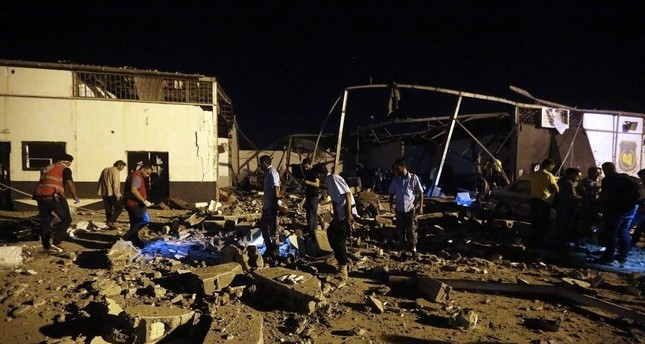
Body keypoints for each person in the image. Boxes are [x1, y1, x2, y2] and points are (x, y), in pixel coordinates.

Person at [32, 153, 80, 253]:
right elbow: (69, 184)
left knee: (45, 221)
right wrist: (75, 196)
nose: (69, 165)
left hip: (40, 196)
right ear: (67, 162)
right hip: (54, 196)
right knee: (66, 219)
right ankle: (56, 243)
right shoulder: (65, 169)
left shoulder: (46, 168)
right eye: (70, 163)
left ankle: (46, 246)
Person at [594, 162, 639, 264]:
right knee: (623, 231)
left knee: (611, 233)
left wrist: (597, 206)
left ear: (605, 169)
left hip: (616, 210)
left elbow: (605, 196)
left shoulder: (608, 179)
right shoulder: (625, 178)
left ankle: (608, 258)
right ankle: (623, 256)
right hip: (630, 209)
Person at [325, 167, 357, 286]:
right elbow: (334, 200)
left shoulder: (333, 178)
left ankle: (343, 269)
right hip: (339, 215)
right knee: (331, 233)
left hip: (345, 213)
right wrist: (335, 217)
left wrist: (348, 214)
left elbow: (348, 194)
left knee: (339, 240)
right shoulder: (329, 181)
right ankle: (341, 260)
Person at [388, 158, 424, 255]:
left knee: (412, 230)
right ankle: (402, 248)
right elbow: (391, 193)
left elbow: (420, 193)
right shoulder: (396, 180)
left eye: (397, 168)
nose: (396, 171)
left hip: (410, 209)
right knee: (400, 230)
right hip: (399, 210)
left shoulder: (413, 178)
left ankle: (413, 248)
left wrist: (420, 207)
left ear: (403, 167)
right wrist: (390, 205)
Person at [529, 158, 559, 247]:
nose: (552, 169)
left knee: (534, 222)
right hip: (544, 201)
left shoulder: (534, 174)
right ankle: (542, 243)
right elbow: (556, 189)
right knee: (543, 223)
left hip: (534, 200)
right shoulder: (549, 175)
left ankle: (532, 242)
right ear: (549, 165)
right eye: (552, 167)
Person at [122, 165, 154, 247]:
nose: (147, 176)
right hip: (135, 204)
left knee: (134, 223)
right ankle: (128, 235)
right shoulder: (137, 177)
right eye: (147, 173)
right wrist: (144, 200)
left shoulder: (132, 175)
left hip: (129, 203)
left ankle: (134, 240)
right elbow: (133, 189)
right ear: (142, 169)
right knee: (145, 219)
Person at [554, 167, 582, 252]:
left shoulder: (560, 181)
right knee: (566, 227)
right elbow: (572, 197)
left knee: (561, 227)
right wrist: (582, 198)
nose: (578, 178)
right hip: (567, 208)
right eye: (577, 176)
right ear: (572, 174)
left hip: (561, 207)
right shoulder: (568, 183)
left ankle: (559, 245)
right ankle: (563, 247)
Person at [259, 155, 281, 258]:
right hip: (267, 205)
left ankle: (275, 251)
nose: (259, 166)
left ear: (264, 163)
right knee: (264, 227)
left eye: (260, 163)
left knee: (273, 229)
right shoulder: (266, 173)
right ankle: (269, 247)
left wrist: (275, 203)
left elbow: (277, 188)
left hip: (271, 206)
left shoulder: (273, 172)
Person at [97, 160, 126, 229]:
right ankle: (110, 221)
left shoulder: (105, 170)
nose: (122, 169)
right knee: (119, 207)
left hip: (105, 192)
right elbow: (115, 184)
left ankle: (109, 224)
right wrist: (117, 195)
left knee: (108, 209)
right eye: (122, 167)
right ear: (119, 165)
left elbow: (100, 181)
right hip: (112, 193)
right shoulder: (115, 171)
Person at [301, 158, 321, 234]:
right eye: (304, 167)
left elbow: (317, 184)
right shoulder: (307, 172)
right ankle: (310, 229)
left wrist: (307, 182)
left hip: (314, 196)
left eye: (306, 166)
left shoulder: (314, 172)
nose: (305, 168)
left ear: (310, 164)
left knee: (313, 214)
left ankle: (314, 231)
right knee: (308, 214)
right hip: (308, 195)